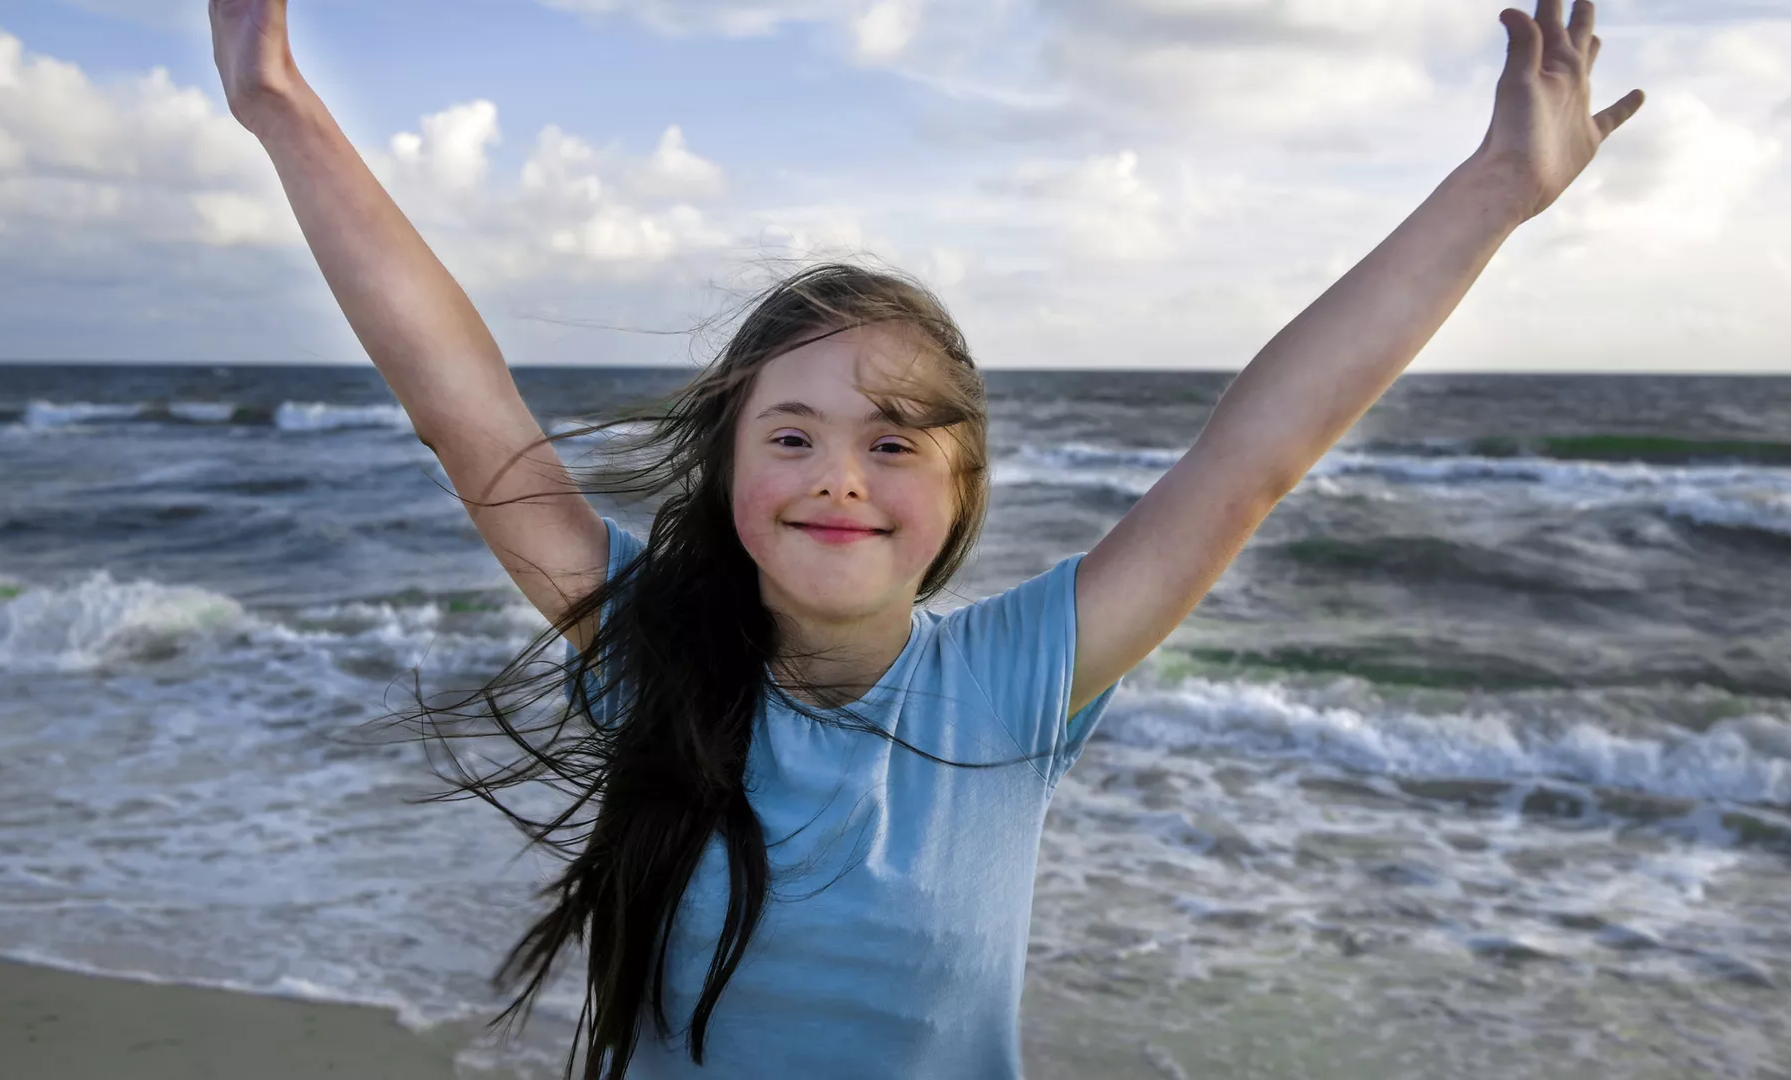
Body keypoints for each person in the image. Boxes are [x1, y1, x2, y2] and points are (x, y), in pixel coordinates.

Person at [208, 1, 1643, 1076]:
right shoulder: (652, 651)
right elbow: (467, 416)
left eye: (894, 440)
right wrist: (281, 103)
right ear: (725, 478)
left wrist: (1494, 193)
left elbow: (1253, 454)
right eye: (794, 435)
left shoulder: (1015, 679)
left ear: (960, 493)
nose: (842, 477)